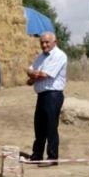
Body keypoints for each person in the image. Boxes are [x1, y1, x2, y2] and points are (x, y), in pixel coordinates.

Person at [26, 32, 67, 166]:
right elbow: (30, 70)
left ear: (54, 42)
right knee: (39, 127)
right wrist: (33, 74)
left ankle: (52, 157)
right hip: (42, 95)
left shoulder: (59, 55)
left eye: (47, 42)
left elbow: (44, 75)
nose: (44, 45)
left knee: (51, 127)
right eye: (42, 42)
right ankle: (37, 155)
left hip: (53, 95)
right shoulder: (41, 57)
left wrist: (33, 75)